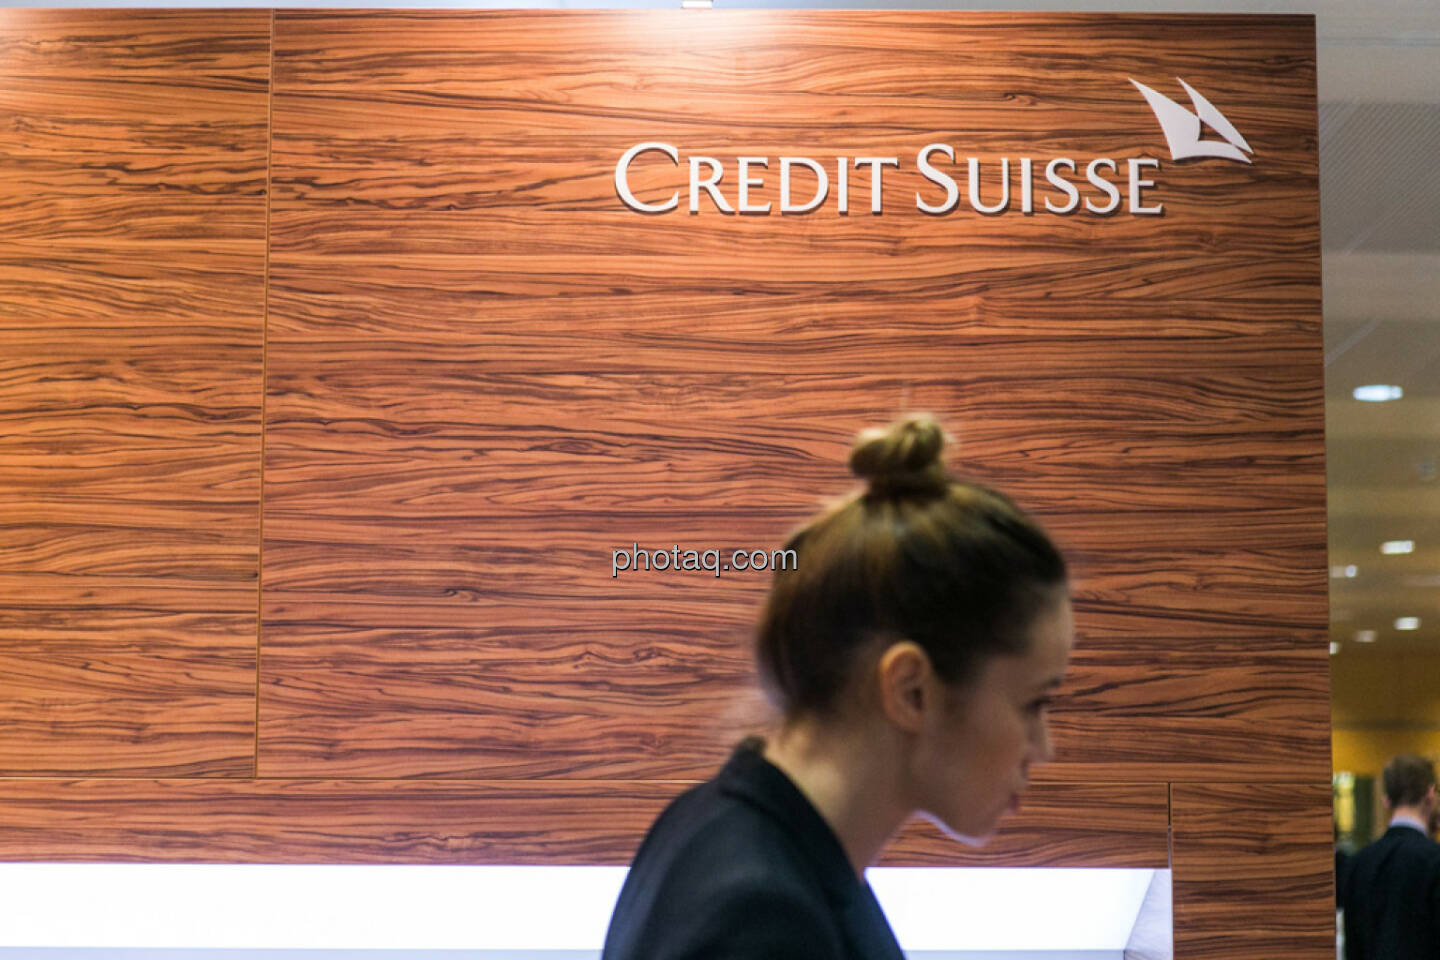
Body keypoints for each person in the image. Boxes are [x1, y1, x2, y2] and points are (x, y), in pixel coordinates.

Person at [601, 413, 1074, 959]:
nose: (1044, 747)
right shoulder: (764, 921)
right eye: (1034, 703)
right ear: (912, 691)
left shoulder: (714, 824)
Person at [1339, 752, 1440, 959]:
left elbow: (1353, 947)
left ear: (1386, 801)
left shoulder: (1357, 864)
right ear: (1430, 793)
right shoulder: (1434, 860)